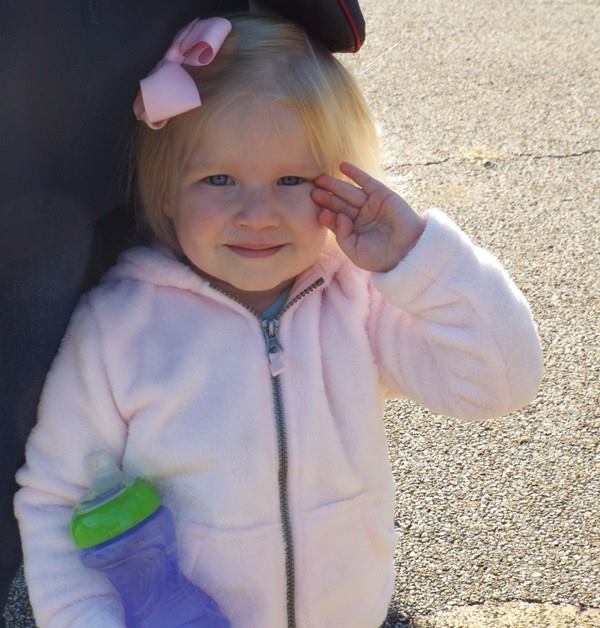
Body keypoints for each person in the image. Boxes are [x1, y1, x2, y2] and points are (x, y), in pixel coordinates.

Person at [13, 13, 543, 628]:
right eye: (219, 179)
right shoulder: (118, 329)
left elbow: (501, 383)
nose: (258, 214)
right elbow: (58, 500)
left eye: (291, 179)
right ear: (165, 193)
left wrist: (416, 259)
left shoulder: (356, 299)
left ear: (340, 185)